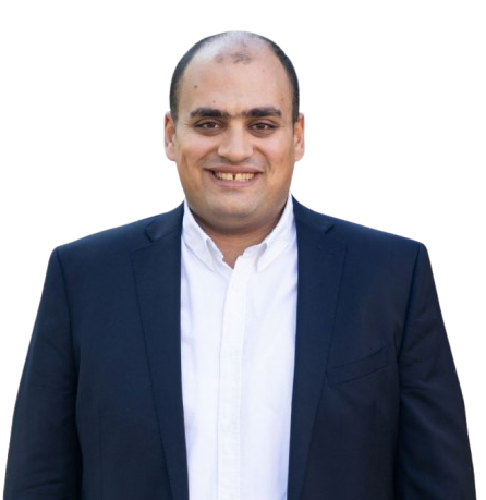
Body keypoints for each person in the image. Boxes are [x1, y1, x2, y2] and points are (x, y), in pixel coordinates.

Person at [4, 29, 475, 500]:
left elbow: (439, 484)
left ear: (297, 137)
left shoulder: (391, 276)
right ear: (170, 135)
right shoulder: (83, 278)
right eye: (209, 123)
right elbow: (38, 481)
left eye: (262, 125)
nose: (234, 148)